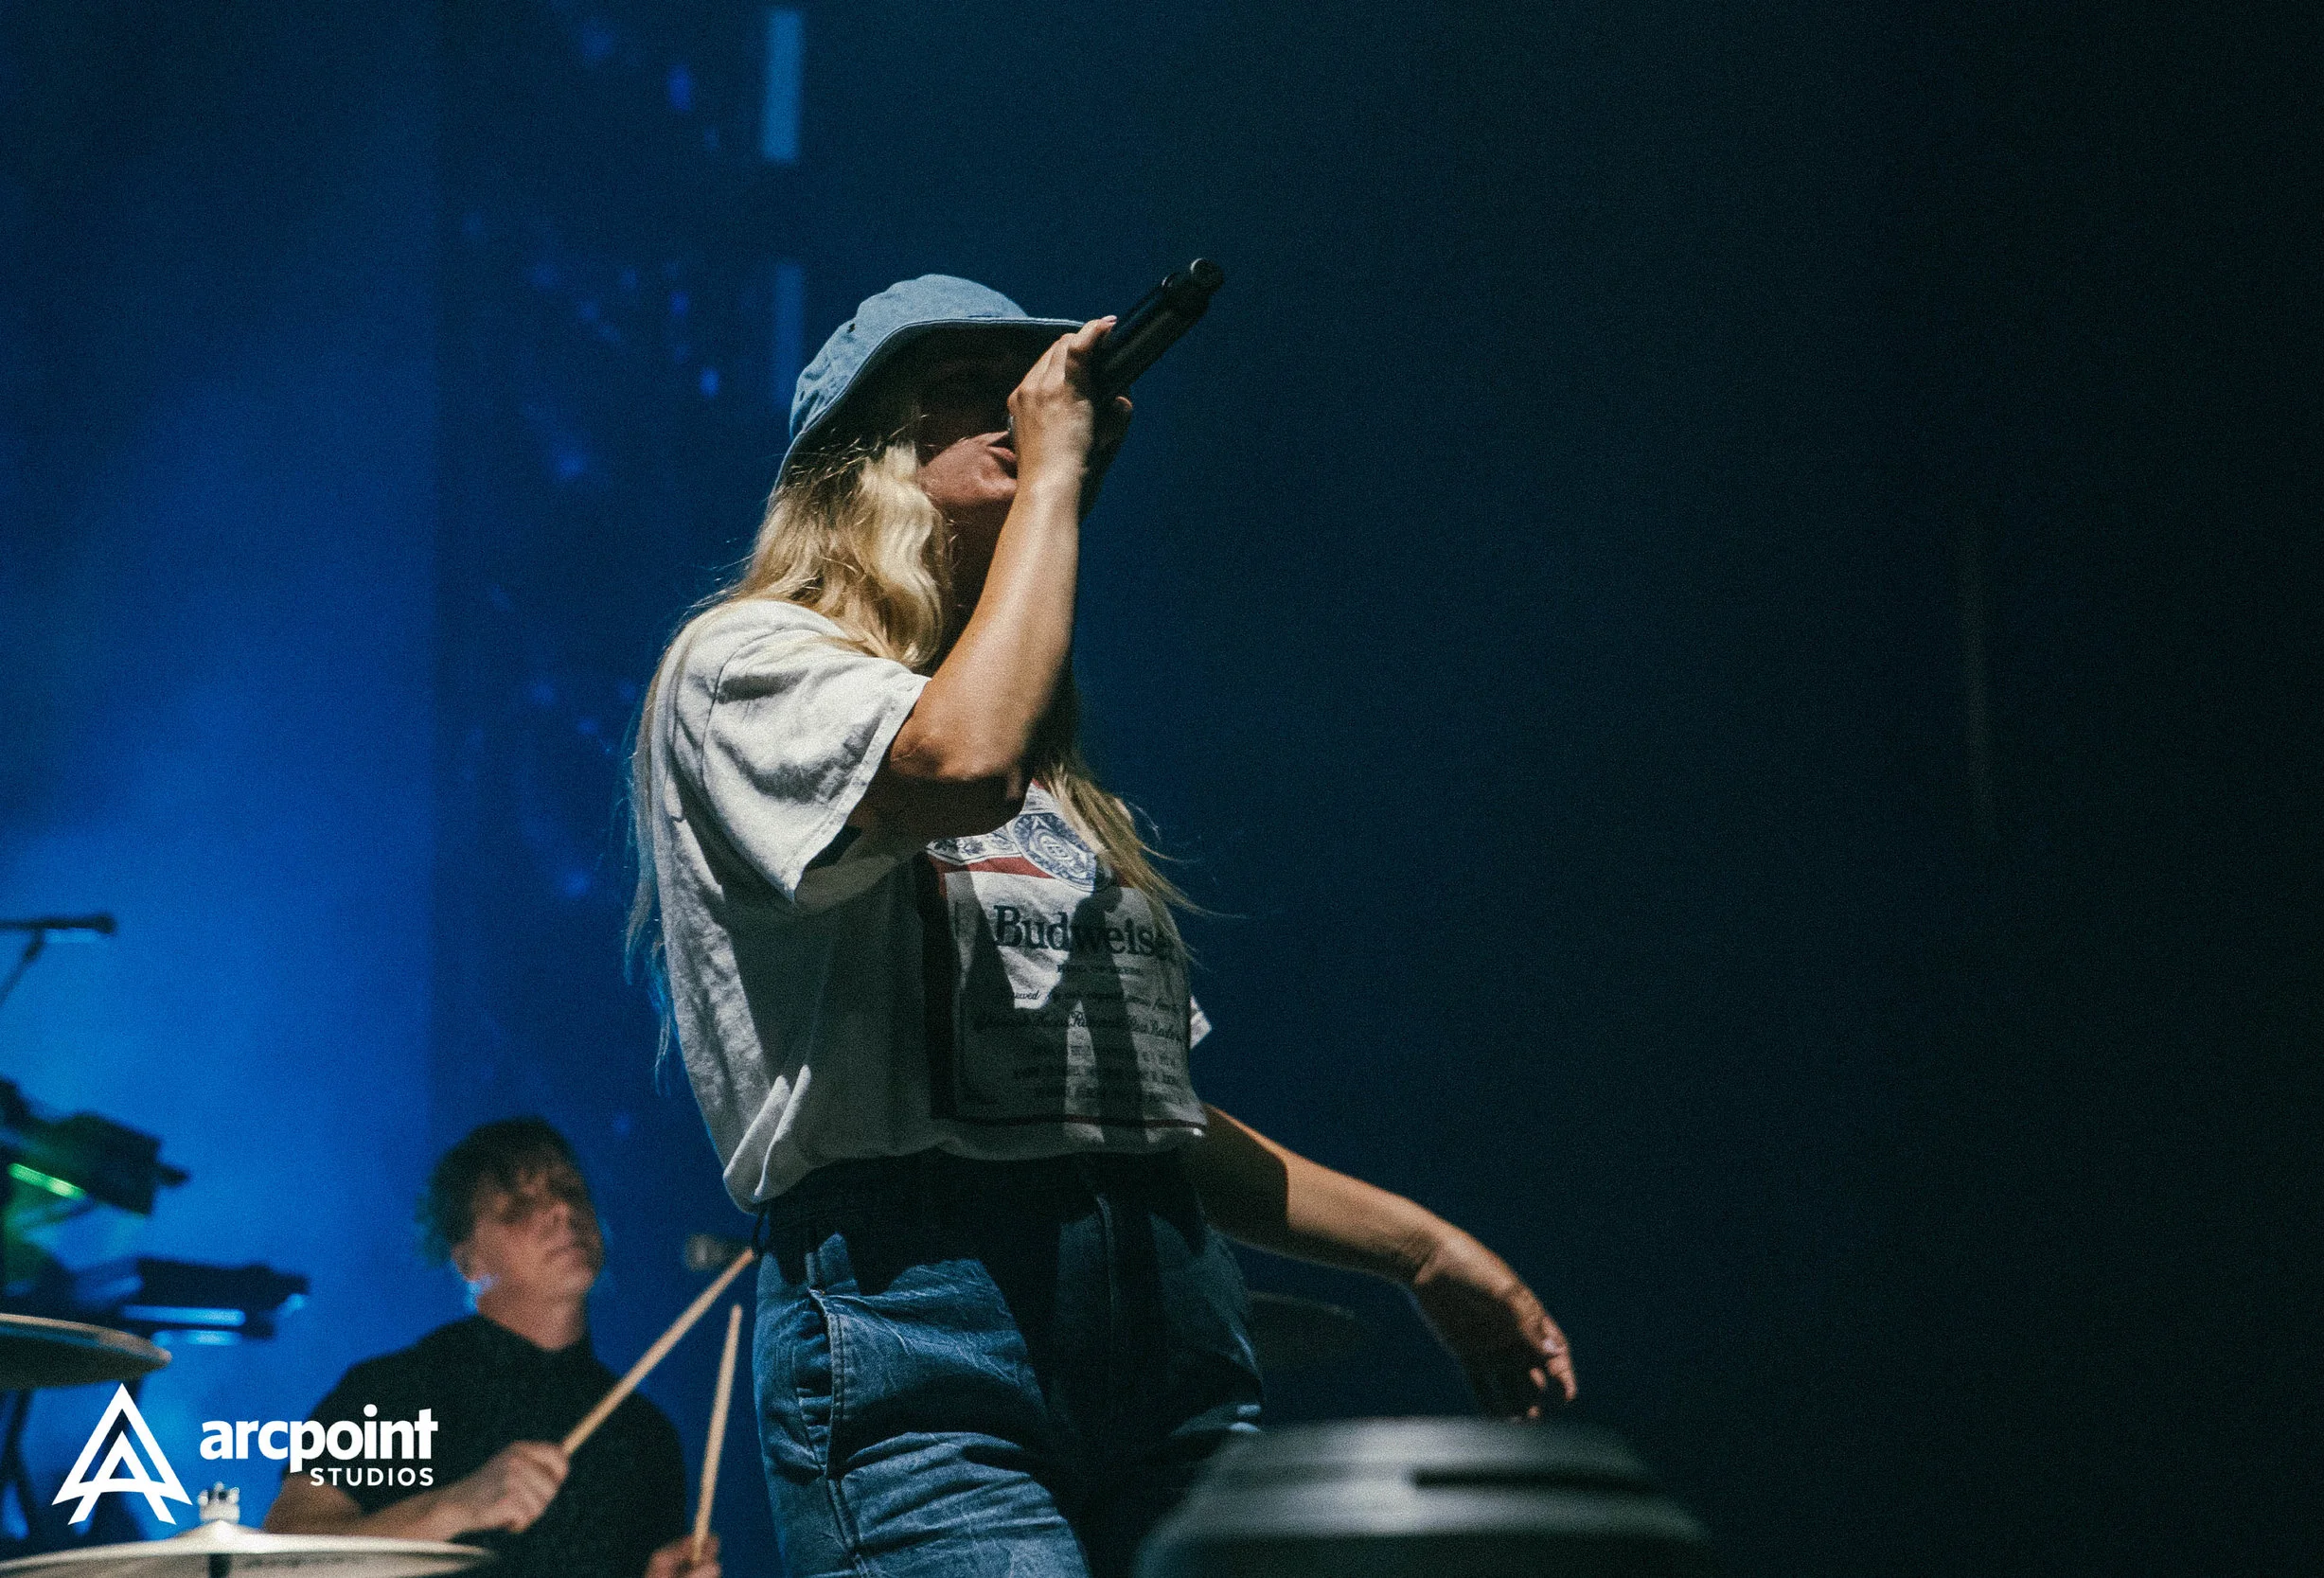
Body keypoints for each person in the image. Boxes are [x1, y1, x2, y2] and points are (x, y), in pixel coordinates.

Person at [629, 275, 1576, 1578]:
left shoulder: (1051, 776)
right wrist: (1062, 477)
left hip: (1162, 1317)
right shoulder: (747, 664)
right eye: (966, 382)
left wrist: (1420, 1246)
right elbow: (959, 760)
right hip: (922, 1326)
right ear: (862, 454)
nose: (1018, 405)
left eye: (1028, 377)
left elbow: (1141, 1122)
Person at [264, 1118, 720, 1578]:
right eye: (520, 1205)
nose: (562, 1209)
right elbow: (280, 1563)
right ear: (466, 1261)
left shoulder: (644, 1433)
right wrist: (458, 1504)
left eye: (571, 1189)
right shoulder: (389, 1392)